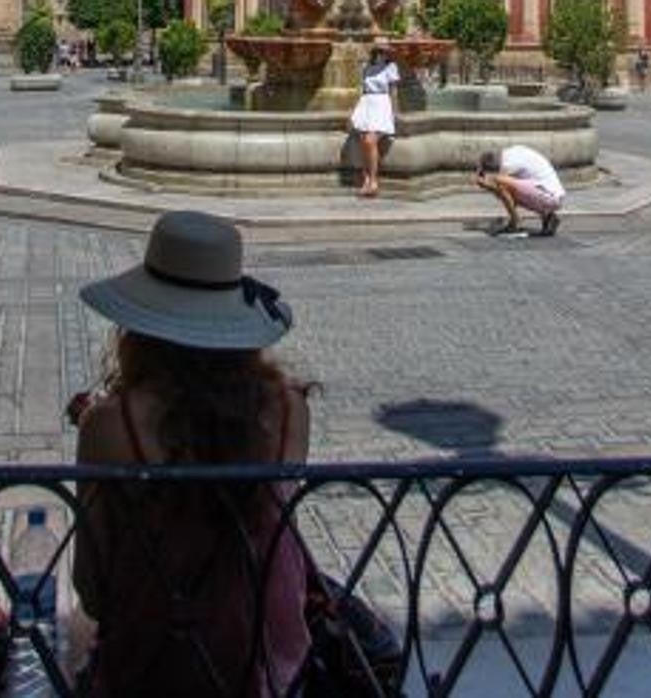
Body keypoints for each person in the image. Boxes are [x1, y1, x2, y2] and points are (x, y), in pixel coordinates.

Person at [70, 211, 312, 697]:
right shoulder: (290, 410)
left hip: (153, 665)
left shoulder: (111, 426)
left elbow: (93, 587)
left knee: (71, 645)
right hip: (267, 660)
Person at [474, 145, 566, 236]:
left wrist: (485, 184)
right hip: (553, 193)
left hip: (549, 197)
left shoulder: (507, 165)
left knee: (500, 183)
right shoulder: (509, 154)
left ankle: (515, 221)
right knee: (508, 188)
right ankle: (548, 217)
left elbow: (500, 189)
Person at [350, 43, 401, 198]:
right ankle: (366, 179)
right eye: (379, 50)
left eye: (384, 50)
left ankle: (373, 181)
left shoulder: (391, 67)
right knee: (364, 141)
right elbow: (362, 89)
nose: (381, 53)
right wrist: (355, 109)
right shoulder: (366, 67)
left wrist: (394, 112)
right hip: (366, 103)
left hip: (381, 103)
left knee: (370, 141)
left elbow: (393, 90)